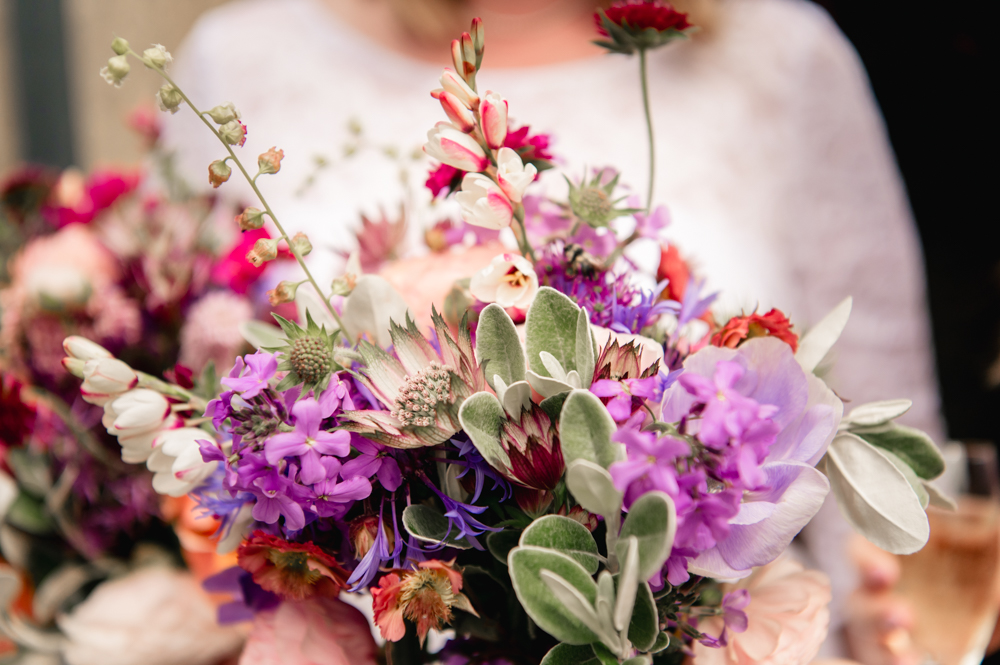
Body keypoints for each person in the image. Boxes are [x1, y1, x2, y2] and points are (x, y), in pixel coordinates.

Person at [161, 0, 944, 656]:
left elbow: (903, 498)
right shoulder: (237, 60)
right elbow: (190, 440)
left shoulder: (785, 56)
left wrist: (889, 617)